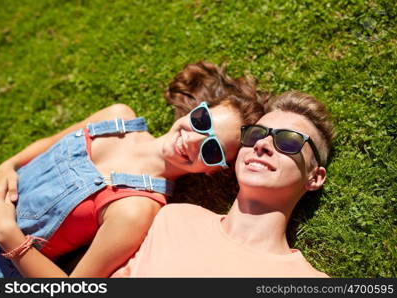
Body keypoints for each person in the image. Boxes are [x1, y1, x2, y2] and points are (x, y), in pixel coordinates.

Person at [0, 61, 264, 278]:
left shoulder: (137, 209)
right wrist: (10, 164)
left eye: (211, 149)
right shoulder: (117, 117)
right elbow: (48, 143)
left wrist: (9, 235)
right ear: (196, 109)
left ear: (213, 170)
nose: (192, 140)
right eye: (202, 121)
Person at [107, 90, 334, 277]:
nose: (262, 144)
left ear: (314, 177)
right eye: (255, 134)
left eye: (287, 140)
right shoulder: (175, 218)